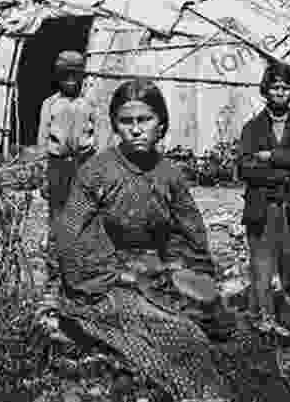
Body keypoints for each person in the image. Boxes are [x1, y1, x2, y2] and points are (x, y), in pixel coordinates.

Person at [50, 79, 233, 402]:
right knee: (182, 334)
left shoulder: (169, 175)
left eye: (144, 120)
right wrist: (113, 275)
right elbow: (69, 236)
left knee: (224, 325)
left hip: (157, 273)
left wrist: (186, 271)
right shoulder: (96, 172)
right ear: (115, 126)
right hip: (105, 281)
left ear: (160, 124)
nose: (136, 130)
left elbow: (189, 232)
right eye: (126, 121)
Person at [238, 61, 290, 335]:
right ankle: (262, 317)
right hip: (262, 206)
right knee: (261, 264)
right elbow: (245, 168)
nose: (280, 93)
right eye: (274, 87)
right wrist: (285, 174)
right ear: (265, 90)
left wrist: (273, 157)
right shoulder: (253, 128)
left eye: (285, 88)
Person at [37, 50, 97, 251]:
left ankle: (80, 244)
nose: (70, 80)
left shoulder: (88, 104)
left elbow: (99, 135)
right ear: (58, 76)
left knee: (83, 203)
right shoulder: (50, 104)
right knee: (56, 204)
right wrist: (42, 172)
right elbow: (42, 139)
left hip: (83, 161)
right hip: (57, 162)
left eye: (75, 75)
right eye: (65, 75)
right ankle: (54, 242)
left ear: (82, 77)